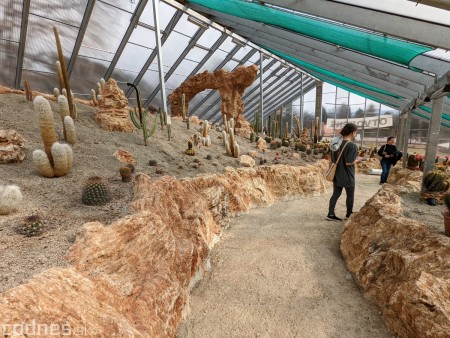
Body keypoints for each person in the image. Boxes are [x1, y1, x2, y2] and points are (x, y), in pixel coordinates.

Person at [327, 123, 362, 222]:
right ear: (352, 132)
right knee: (350, 195)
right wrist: (358, 160)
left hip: (336, 174)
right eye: (356, 132)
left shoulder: (335, 144)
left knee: (335, 194)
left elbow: (331, 159)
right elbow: (348, 162)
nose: (355, 134)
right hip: (347, 175)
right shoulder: (352, 145)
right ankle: (348, 214)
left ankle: (330, 214)